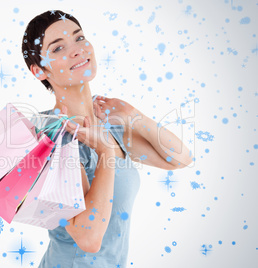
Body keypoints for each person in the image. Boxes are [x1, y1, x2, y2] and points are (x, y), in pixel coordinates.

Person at [21, 10, 194, 268]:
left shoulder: (107, 123)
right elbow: (88, 238)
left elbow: (179, 159)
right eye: (58, 49)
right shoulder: (50, 136)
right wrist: (105, 152)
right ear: (39, 71)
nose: (77, 50)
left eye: (79, 38)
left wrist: (134, 115)